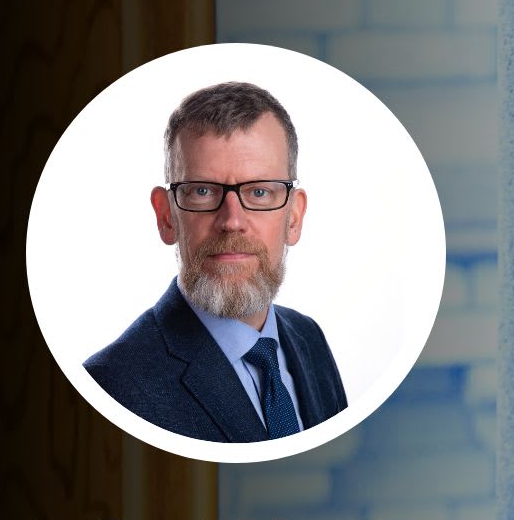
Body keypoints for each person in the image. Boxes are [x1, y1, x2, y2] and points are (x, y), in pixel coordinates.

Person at [86, 81, 346, 443]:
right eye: (203, 191)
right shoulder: (111, 388)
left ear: (294, 217)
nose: (232, 221)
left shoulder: (308, 338)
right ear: (166, 216)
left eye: (259, 192)